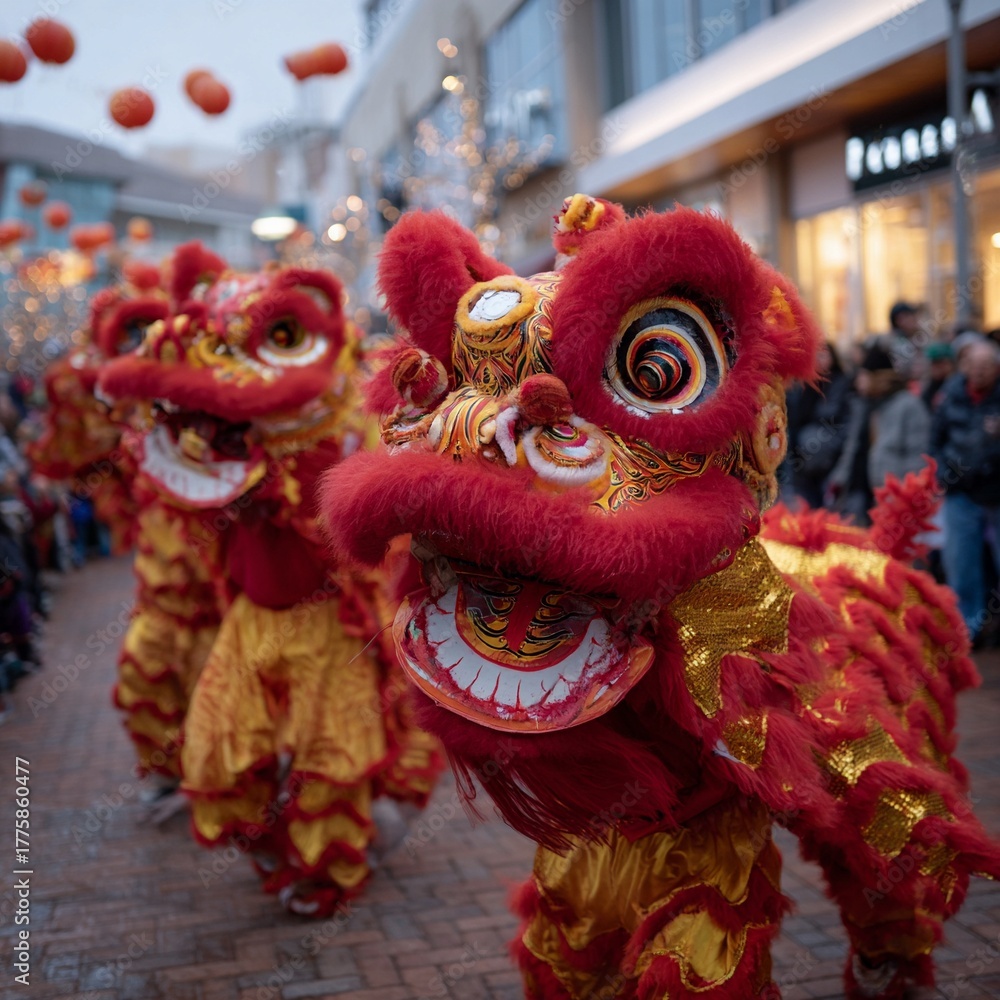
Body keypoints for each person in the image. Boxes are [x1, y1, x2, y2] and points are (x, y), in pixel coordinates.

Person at [931, 339, 1000, 642]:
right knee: (962, 567)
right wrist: (943, 473)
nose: (979, 371)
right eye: (974, 365)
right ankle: (966, 632)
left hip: (996, 491)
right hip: (960, 493)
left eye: (986, 366)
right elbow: (935, 440)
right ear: (965, 367)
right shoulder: (950, 395)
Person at [828, 343, 930, 523]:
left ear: (878, 378)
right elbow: (853, 447)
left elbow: (918, 456)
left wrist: (906, 496)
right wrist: (839, 479)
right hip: (859, 493)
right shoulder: (863, 405)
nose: (858, 381)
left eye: (863, 376)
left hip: (892, 497)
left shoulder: (908, 406)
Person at [785, 340, 852, 508]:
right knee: (807, 500)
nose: (820, 359)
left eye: (824, 354)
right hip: (801, 454)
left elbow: (837, 419)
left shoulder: (841, 383)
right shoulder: (804, 384)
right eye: (816, 355)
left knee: (827, 502)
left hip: (826, 453)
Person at [921, 342, 955, 412]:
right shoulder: (931, 386)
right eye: (933, 363)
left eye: (939, 363)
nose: (935, 367)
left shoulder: (957, 386)